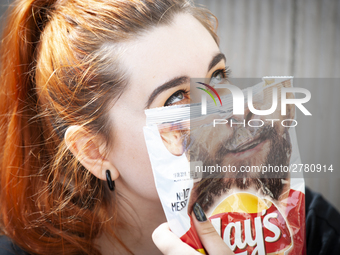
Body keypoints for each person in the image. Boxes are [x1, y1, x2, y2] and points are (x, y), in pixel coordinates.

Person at [0, 1, 339, 255]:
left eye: (217, 76)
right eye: (177, 98)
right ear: (93, 151)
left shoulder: (304, 225)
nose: (229, 113)